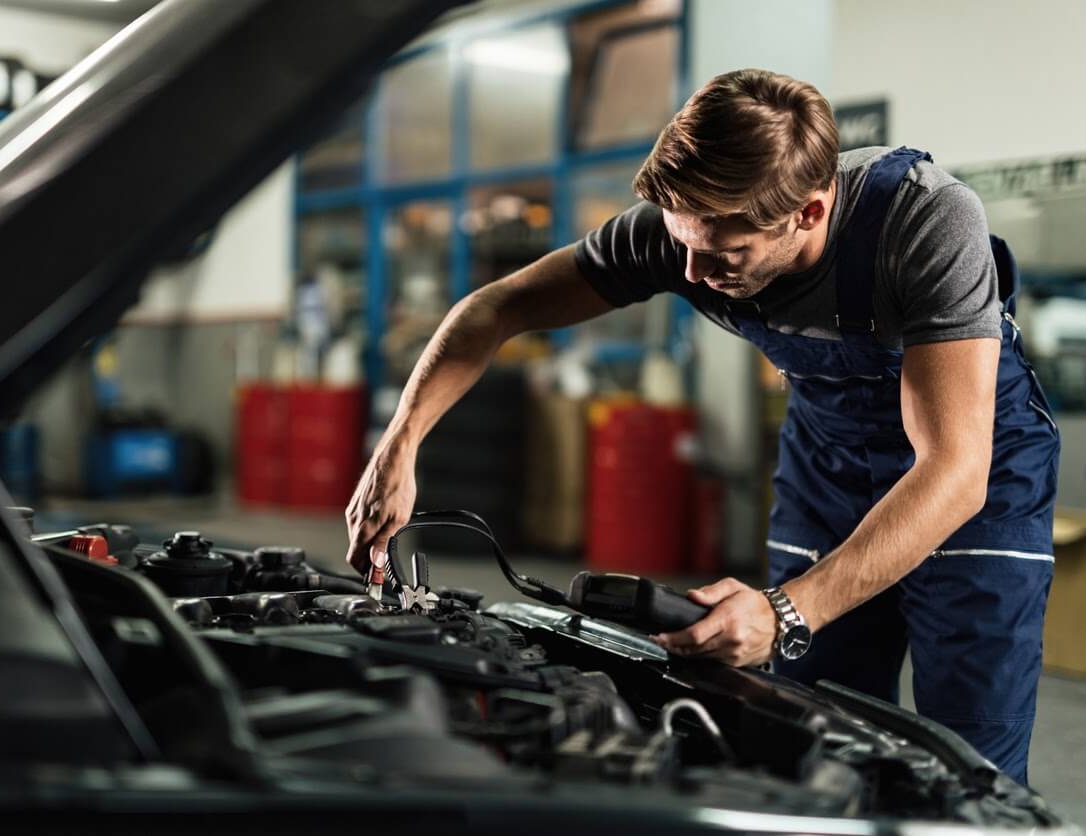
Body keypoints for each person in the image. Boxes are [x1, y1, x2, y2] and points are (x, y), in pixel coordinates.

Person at [344, 69, 1059, 784]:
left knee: (969, 766)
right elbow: (494, 308)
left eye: (723, 254)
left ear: (808, 213)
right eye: (683, 242)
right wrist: (399, 445)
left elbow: (953, 471)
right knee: (812, 739)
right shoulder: (681, 234)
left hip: (977, 489)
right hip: (829, 468)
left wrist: (784, 610)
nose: (690, 268)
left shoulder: (926, 221)